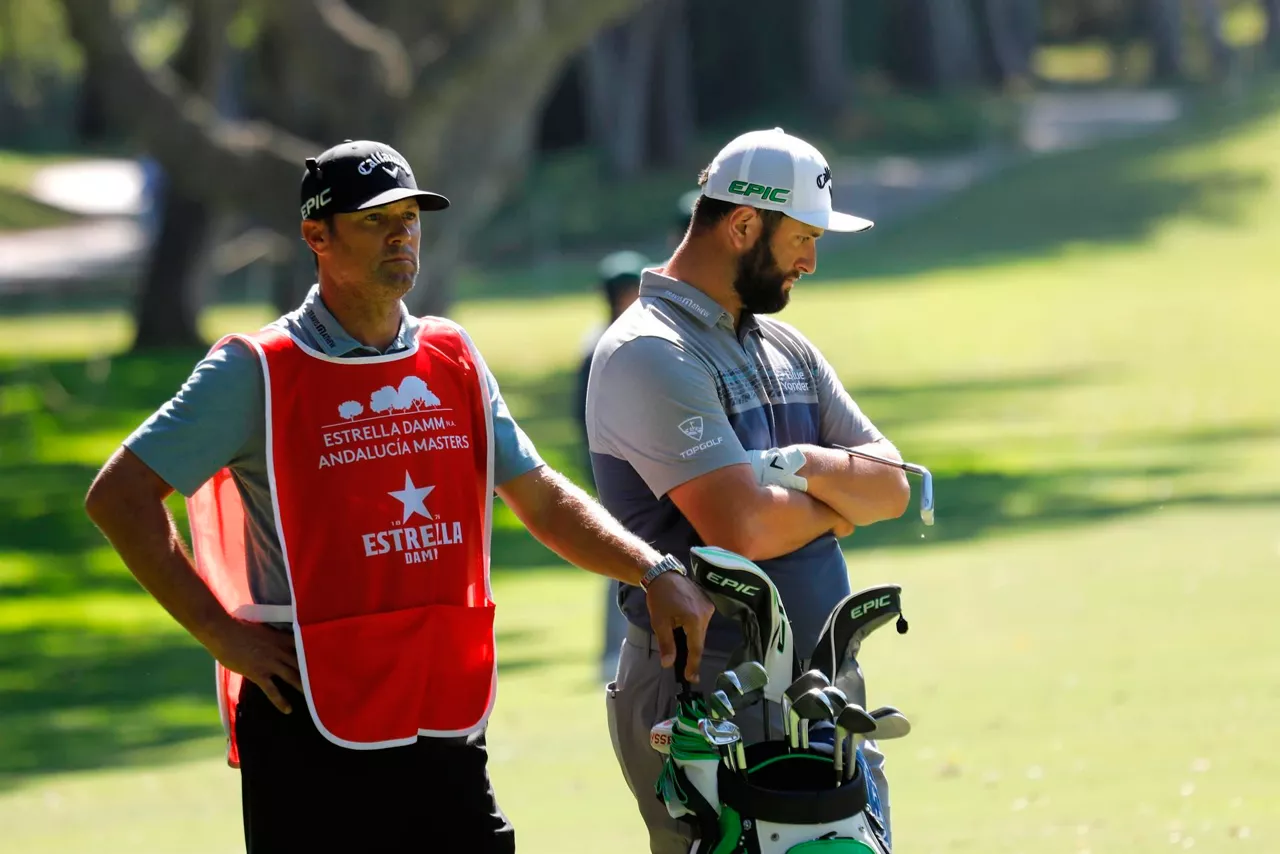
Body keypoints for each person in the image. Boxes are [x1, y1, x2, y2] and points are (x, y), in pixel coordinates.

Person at [83, 139, 714, 853]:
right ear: (317, 236)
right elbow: (120, 497)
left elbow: (538, 495)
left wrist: (651, 568)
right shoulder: (254, 370)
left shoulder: (452, 357)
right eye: (374, 220)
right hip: (306, 709)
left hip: (440, 703)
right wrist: (218, 632)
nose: (400, 236)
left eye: (409, 218)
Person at [584, 127, 912, 854]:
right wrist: (837, 507)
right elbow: (744, 530)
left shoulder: (786, 347)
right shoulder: (650, 350)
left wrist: (794, 465)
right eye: (802, 239)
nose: (811, 262)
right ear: (742, 225)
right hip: (706, 696)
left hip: (824, 689)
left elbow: (893, 487)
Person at [573, 250, 647, 683]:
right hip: (620, 474)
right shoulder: (601, 347)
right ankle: (612, 655)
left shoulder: (642, 338)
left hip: (648, 470)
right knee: (621, 562)